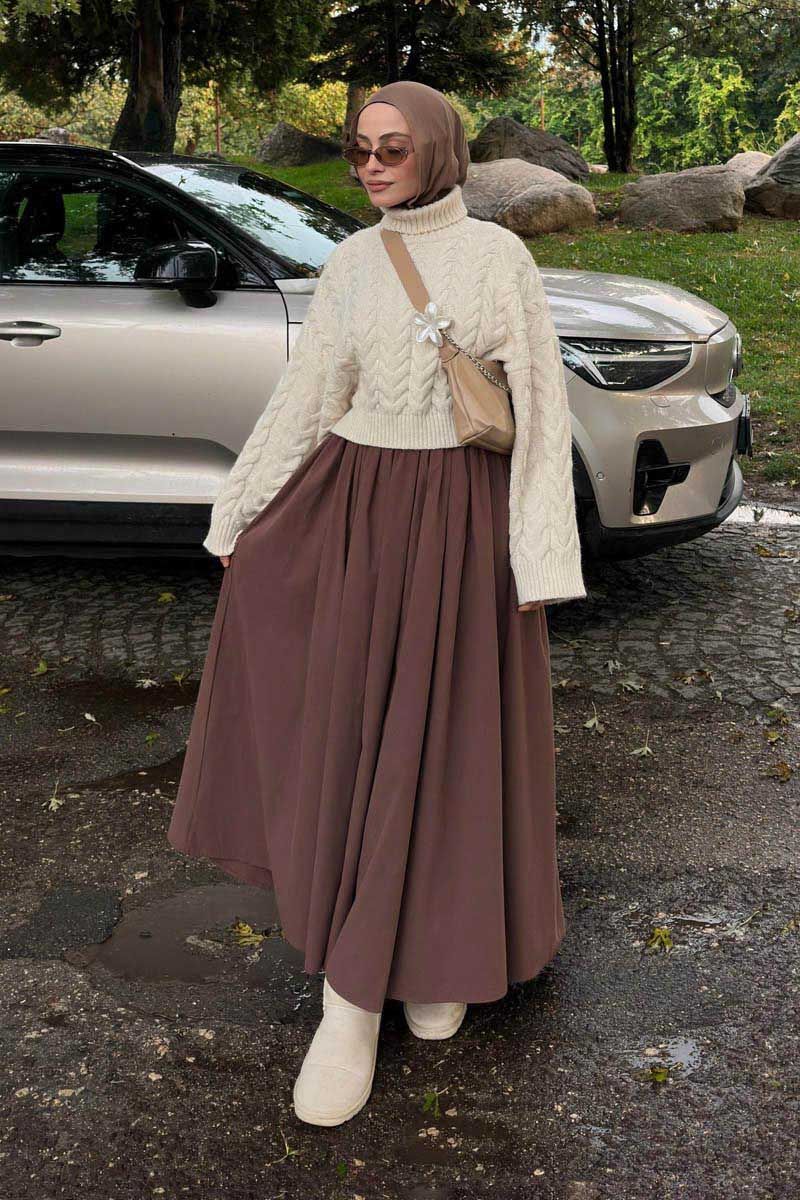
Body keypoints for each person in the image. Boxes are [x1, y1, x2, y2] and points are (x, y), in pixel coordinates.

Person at [167, 80, 586, 1127]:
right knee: (360, 744)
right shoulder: (353, 263)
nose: (369, 167)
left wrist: (536, 561)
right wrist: (240, 511)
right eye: (359, 149)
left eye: (392, 149)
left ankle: (432, 955)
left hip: (460, 525)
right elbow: (309, 396)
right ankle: (348, 1001)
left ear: (437, 150)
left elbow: (541, 415)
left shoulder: (499, 259)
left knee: (445, 747)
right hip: (354, 514)